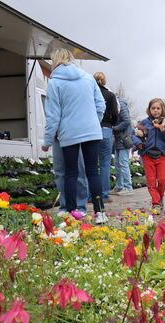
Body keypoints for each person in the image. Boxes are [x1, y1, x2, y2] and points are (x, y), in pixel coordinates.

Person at [41, 49, 107, 223]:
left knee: (70, 172)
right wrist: (94, 121)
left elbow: (53, 115)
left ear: (55, 61)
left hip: (69, 132)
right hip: (92, 131)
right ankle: (100, 213)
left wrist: (47, 140)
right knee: (93, 172)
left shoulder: (55, 83)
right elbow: (100, 104)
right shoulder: (88, 78)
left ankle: (72, 212)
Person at [132, 99, 165, 210]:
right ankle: (156, 203)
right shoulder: (144, 123)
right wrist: (139, 143)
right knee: (151, 181)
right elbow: (134, 134)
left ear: (162, 110)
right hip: (147, 155)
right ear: (149, 109)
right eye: (153, 108)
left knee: (162, 180)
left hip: (161, 155)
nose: (155, 110)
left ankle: (159, 198)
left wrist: (163, 130)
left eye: (158, 108)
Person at [93, 72, 119, 203]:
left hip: (91, 130)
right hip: (106, 130)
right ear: (104, 81)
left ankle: (90, 195)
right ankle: (103, 195)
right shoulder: (110, 95)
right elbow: (115, 114)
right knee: (104, 164)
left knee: (91, 164)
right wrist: (111, 124)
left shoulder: (90, 94)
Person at [111, 97, 134, 196]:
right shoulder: (117, 104)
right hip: (119, 139)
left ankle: (128, 187)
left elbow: (127, 121)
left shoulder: (120, 104)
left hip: (124, 138)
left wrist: (114, 128)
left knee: (123, 163)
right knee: (117, 163)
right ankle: (119, 186)